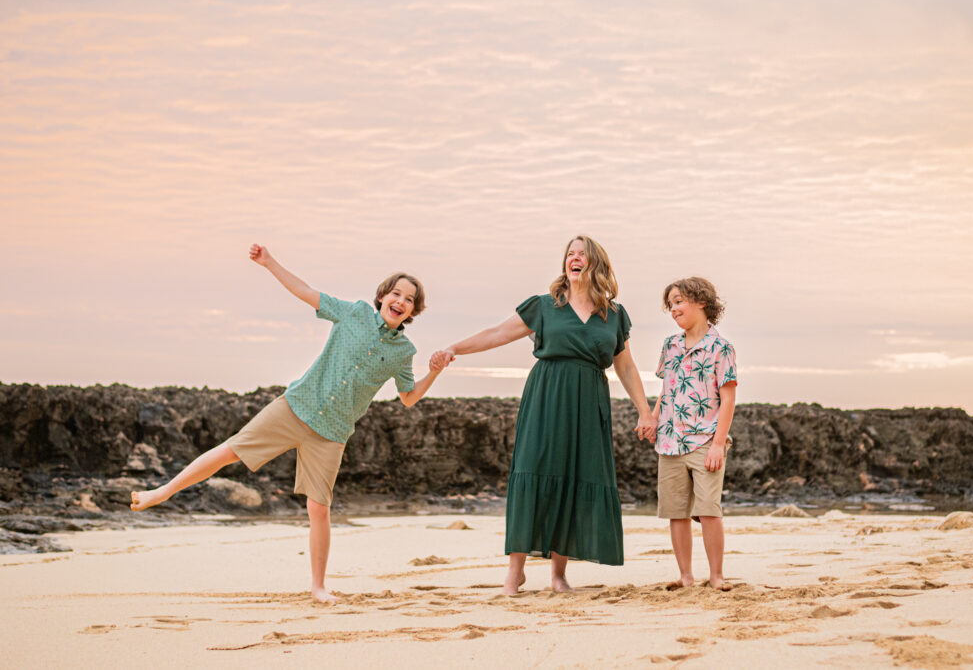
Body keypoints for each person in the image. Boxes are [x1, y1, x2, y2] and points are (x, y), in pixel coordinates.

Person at [130, 244, 446, 603]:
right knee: (230, 451)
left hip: (332, 432)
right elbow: (306, 292)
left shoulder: (404, 354)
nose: (400, 301)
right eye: (395, 293)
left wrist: (433, 372)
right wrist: (269, 263)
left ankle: (318, 587)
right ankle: (162, 492)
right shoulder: (354, 313)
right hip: (296, 406)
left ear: (412, 312)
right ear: (382, 297)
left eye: (408, 299)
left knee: (319, 509)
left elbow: (408, 397)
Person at [431, 235, 656, 594]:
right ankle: (515, 571)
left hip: (589, 399)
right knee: (533, 469)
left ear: (596, 263)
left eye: (582, 254)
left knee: (574, 475)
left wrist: (645, 411)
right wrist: (453, 348)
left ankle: (558, 574)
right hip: (546, 394)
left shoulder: (613, 314)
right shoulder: (543, 306)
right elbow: (496, 334)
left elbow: (626, 366)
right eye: (570, 253)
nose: (575, 258)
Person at [646, 276, 737, 591]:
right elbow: (666, 389)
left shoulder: (720, 348)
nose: (674, 309)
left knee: (708, 510)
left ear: (702, 302)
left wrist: (717, 445)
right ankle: (686, 576)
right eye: (671, 304)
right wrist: (653, 419)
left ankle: (716, 576)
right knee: (676, 512)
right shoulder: (670, 345)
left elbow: (728, 399)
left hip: (705, 442)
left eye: (679, 301)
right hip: (669, 441)